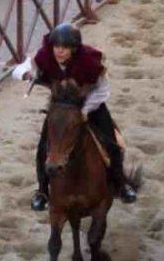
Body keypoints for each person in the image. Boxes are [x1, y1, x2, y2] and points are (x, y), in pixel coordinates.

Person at [13, 22, 136, 208]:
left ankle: (121, 184)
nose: (59, 51)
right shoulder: (44, 57)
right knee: (43, 149)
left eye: (64, 48)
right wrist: (28, 75)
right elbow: (17, 69)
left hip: (90, 107)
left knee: (112, 144)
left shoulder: (90, 62)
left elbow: (103, 92)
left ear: (74, 49)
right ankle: (43, 192)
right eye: (56, 46)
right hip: (60, 110)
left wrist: (84, 111)